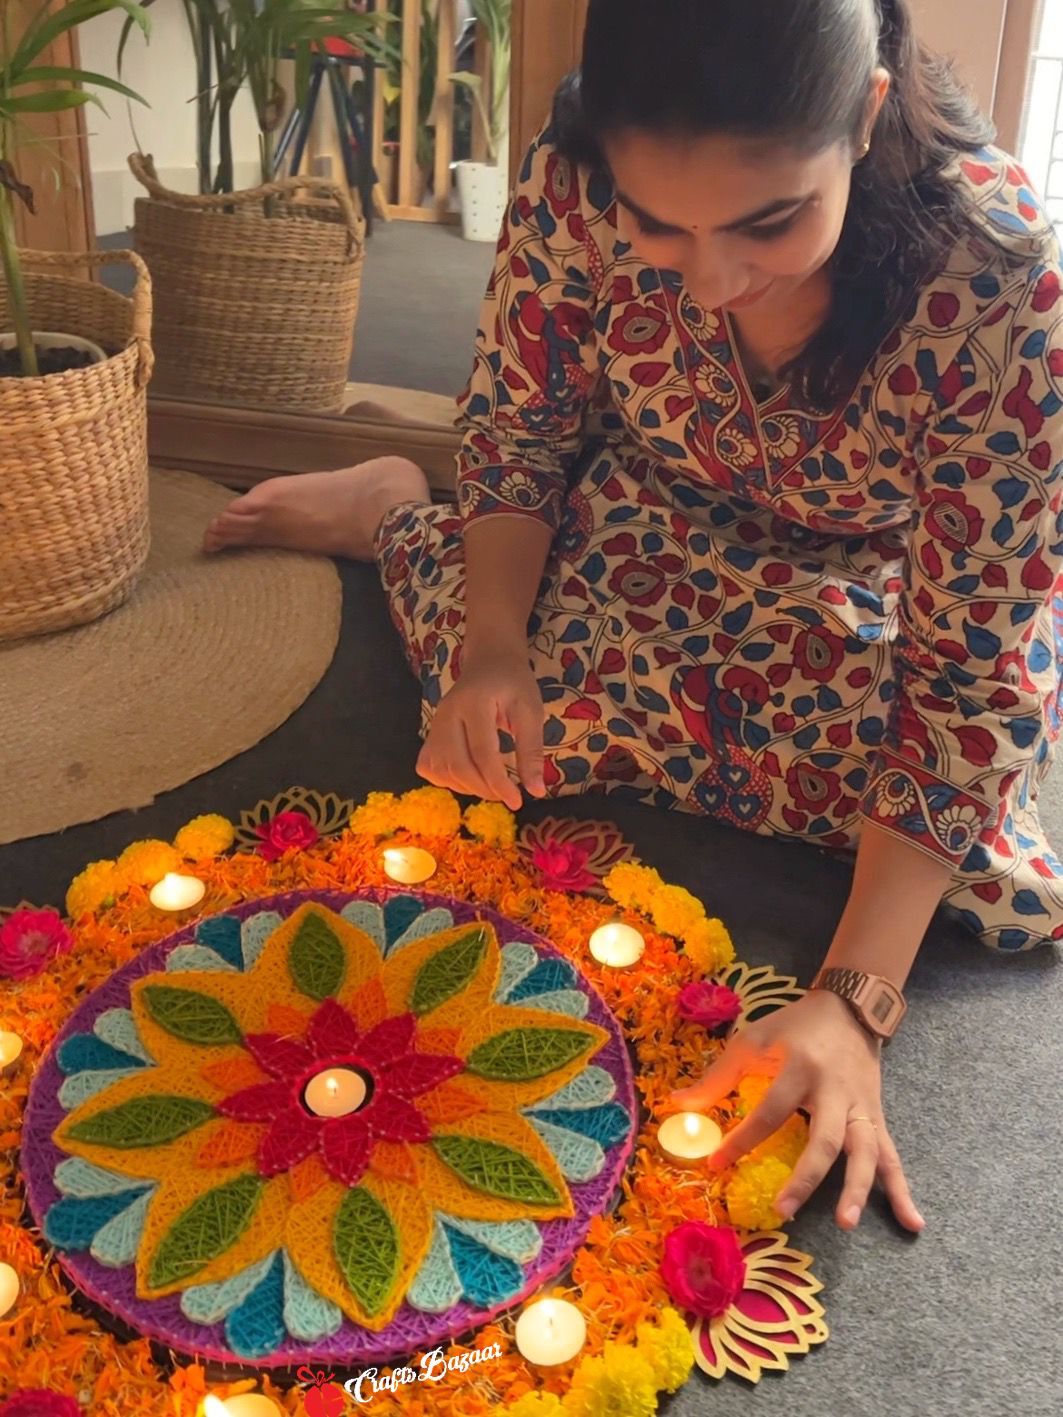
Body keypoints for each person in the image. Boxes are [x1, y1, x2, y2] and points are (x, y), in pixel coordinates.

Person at [204, 0, 1063, 1235]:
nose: (712, 278)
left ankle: (429, 551)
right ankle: (397, 512)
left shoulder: (1001, 275)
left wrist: (853, 998)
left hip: (887, 577)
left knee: (964, 867)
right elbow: (522, 428)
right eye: (658, 225)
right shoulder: (570, 177)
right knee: (512, 715)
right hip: (655, 513)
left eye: (770, 221)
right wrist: (494, 644)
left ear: (868, 118)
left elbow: (971, 666)